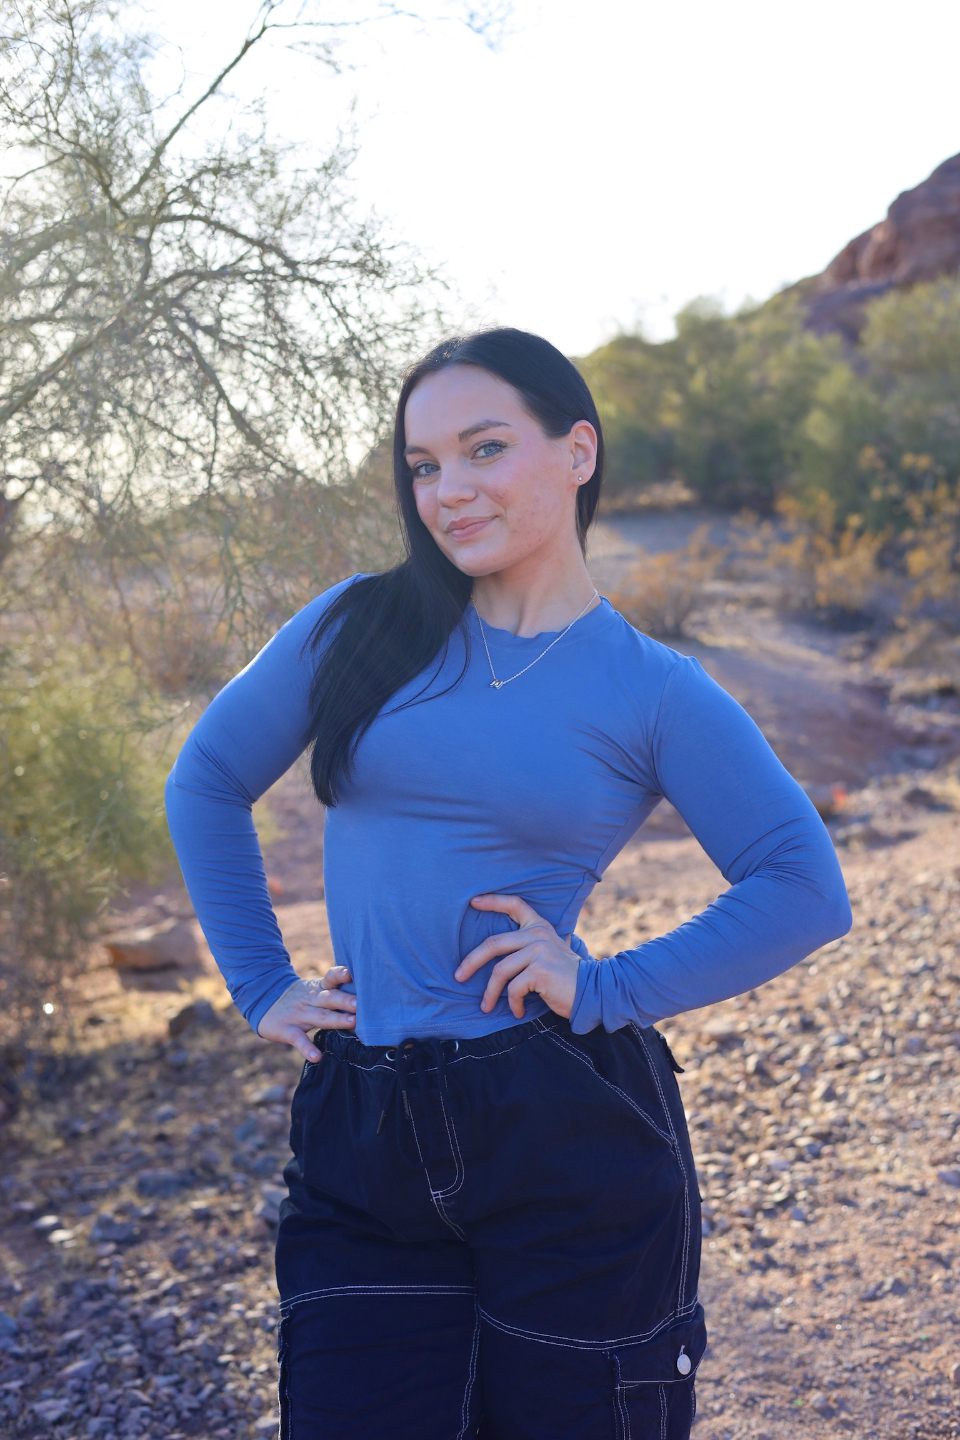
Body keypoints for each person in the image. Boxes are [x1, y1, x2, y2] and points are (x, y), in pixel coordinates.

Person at [165, 328, 852, 1440]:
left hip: (559, 1123)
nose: (449, 490)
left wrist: (606, 984)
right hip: (362, 1124)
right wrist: (258, 982)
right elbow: (205, 781)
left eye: (484, 449)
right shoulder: (360, 627)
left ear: (578, 451)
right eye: (424, 464)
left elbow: (804, 886)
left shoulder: (654, 689)